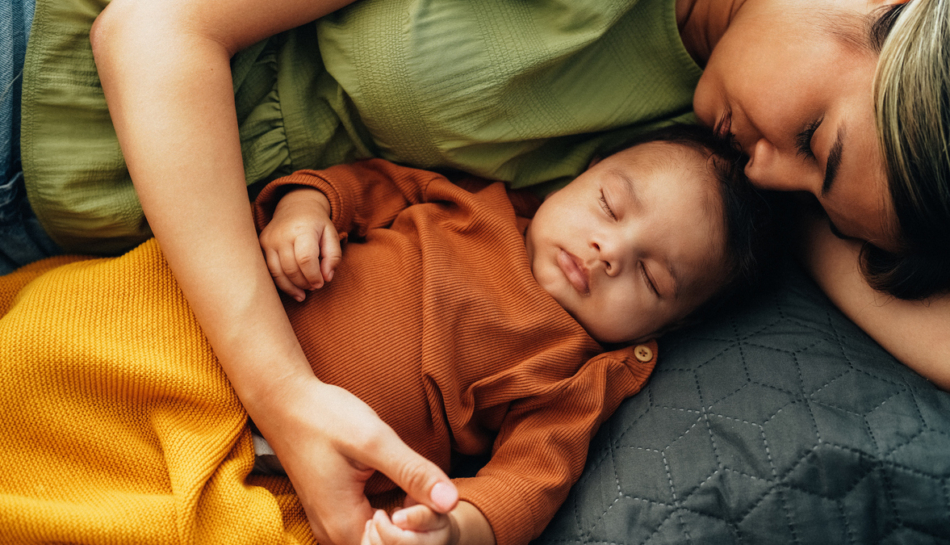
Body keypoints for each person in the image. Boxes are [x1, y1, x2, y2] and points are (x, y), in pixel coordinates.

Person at [2, 0, 948, 542]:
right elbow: (152, 30)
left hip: (141, 291)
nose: (772, 174)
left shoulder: (720, 178)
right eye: (814, 141)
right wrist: (286, 394)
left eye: (817, 197)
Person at [0, 126, 776, 545]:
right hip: (199, 325)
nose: (611, 249)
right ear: (579, 174)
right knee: (48, 347)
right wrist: (304, 212)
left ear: (665, 329)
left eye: (652, 277)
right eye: (611, 204)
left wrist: (458, 523)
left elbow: (528, 481)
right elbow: (359, 184)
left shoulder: (575, 373)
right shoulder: (476, 203)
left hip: (269, 459)